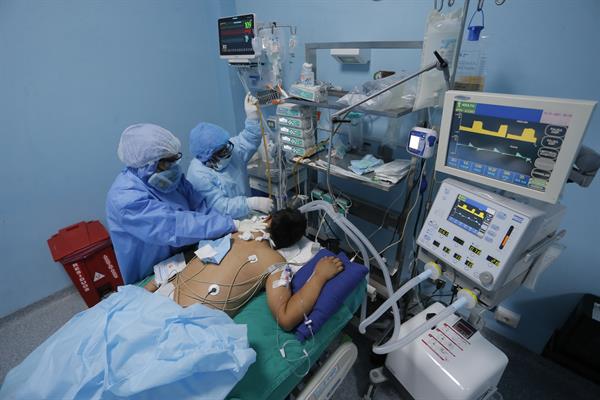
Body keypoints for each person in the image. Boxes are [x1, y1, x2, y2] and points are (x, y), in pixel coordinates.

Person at [164, 208, 344, 332]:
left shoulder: (228, 232)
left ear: (267, 218)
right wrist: (319, 275)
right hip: (190, 325)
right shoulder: (275, 261)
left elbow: (173, 272)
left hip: (160, 302)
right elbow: (286, 318)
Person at [106, 123, 237, 284]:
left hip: (187, 254)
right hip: (152, 273)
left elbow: (199, 205)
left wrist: (224, 230)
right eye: (167, 162)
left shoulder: (169, 176)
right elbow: (173, 227)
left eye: (174, 160)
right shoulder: (125, 199)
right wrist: (229, 224)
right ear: (148, 164)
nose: (172, 167)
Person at [187, 93, 273, 219]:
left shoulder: (227, 147)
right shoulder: (197, 175)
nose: (227, 153)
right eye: (221, 152)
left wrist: (252, 118)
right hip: (221, 225)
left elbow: (248, 140)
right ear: (207, 157)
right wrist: (252, 203)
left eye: (227, 147)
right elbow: (220, 206)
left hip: (246, 214)